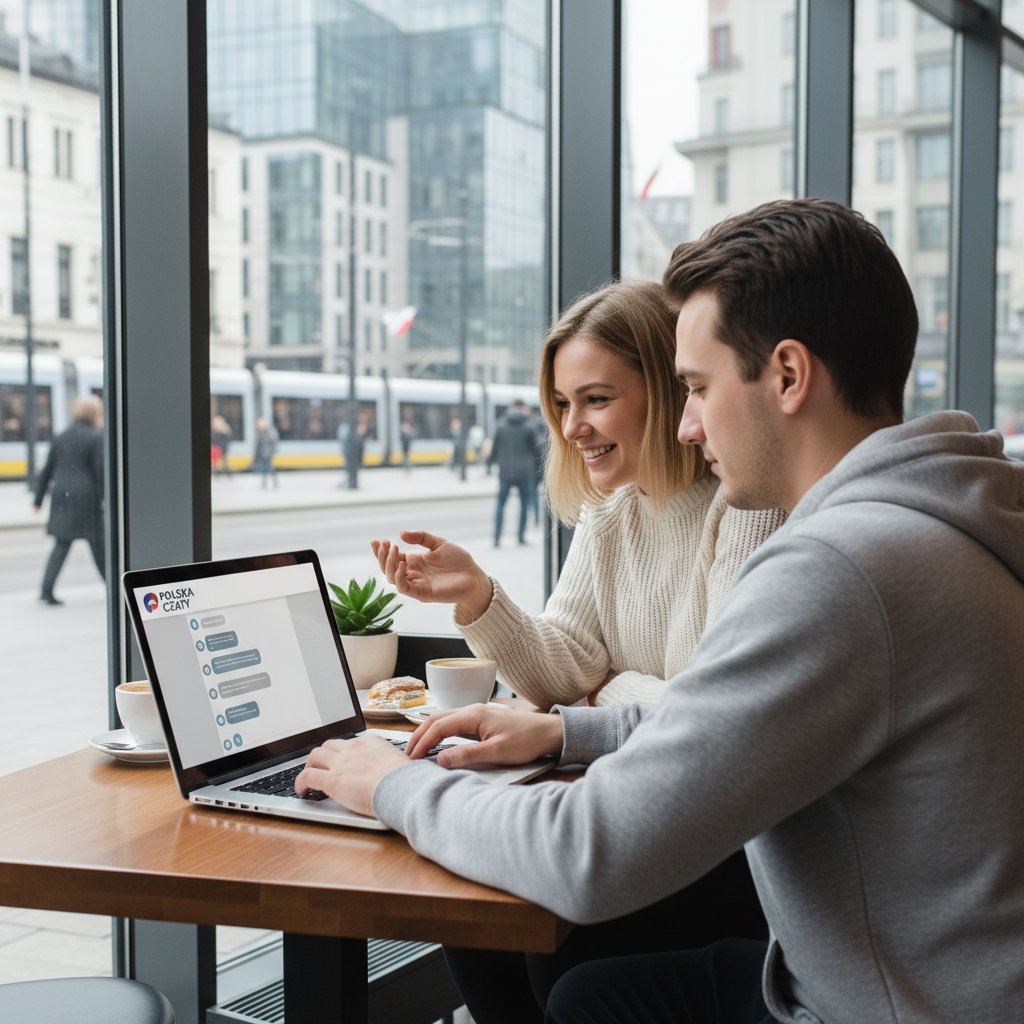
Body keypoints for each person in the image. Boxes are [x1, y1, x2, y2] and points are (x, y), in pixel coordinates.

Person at [299, 198, 1024, 1024]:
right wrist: (577, 727)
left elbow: (588, 855)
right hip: (904, 980)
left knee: (582, 983)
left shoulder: (843, 568)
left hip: (880, 1005)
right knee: (596, 993)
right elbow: (730, 717)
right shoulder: (939, 520)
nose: (685, 424)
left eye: (697, 388)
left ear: (788, 375)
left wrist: (392, 785)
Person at [369, 280, 784, 1022]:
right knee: (471, 910)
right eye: (562, 405)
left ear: (665, 392)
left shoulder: (745, 509)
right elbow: (566, 667)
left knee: (551, 940)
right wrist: (476, 597)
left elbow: (712, 720)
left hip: (724, 847)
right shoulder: (613, 509)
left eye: (595, 399)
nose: (573, 427)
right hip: (643, 799)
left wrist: (599, 695)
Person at [32, 394, 106, 605]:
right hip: (86, 497)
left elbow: (47, 471)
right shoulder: (96, 437)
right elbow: (100, 471)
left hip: (62, 496)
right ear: (94, 414)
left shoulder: (61, 436)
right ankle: (113, 589)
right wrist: (106, 498)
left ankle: (46, 590)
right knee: (99, 546)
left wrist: (38, 501)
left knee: (61, 544)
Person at [487, 398, 540, 546]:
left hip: (505, 472)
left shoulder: (501, 425)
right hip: (525, 472)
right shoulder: (529, 426)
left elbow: (494, 449)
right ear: (522, 408)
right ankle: (520, 537)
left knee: (500, 504)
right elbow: (537, 450)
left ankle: (497, 537)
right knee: (524, 505)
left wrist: (490, 465)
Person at [252, 416, 279, 489]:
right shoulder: (260, 432)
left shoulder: (270, 431)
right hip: (262, 453)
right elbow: (258, 444)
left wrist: (272, 452)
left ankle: (272, 482)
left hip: (268, 453)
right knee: (265, 468)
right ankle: (265, 483)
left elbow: (273, 442)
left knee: (269, 467)